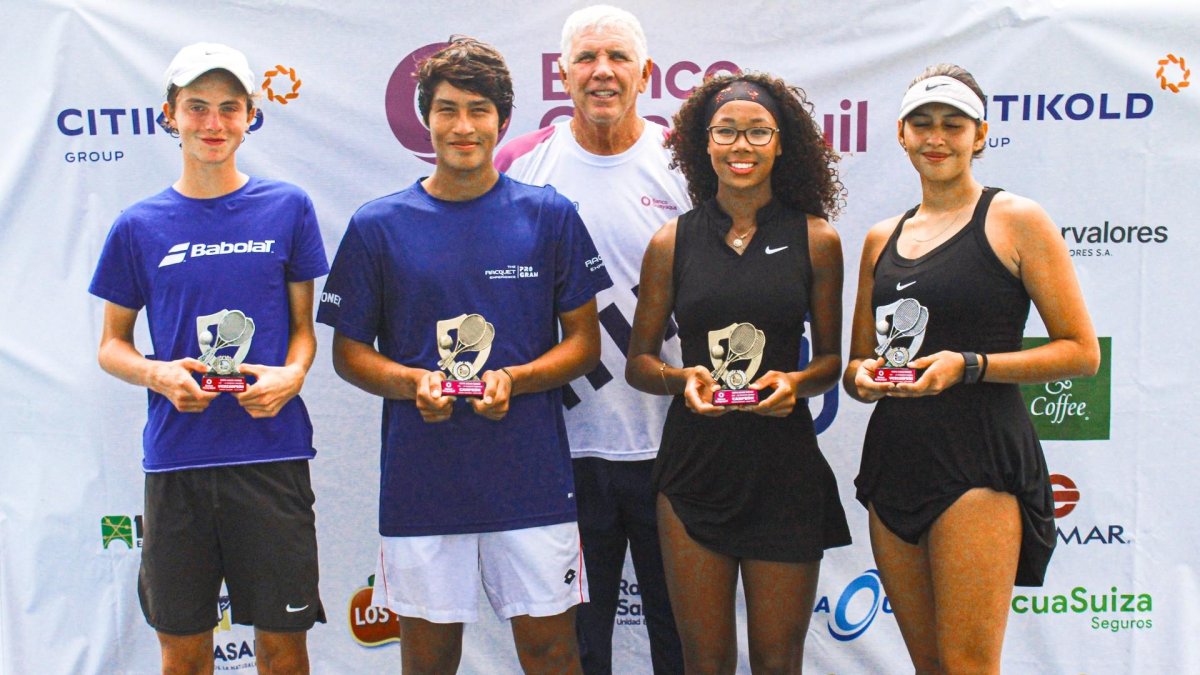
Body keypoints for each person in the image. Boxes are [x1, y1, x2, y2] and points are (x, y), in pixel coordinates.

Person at [316, 37, 612, 674]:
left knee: (551, 651)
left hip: (530, 477)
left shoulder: (549, 216)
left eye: (478, 110)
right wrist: (413, 383)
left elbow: (585, 345)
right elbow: (348, 354)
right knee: (429, 659)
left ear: (502, 121)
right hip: (423, 481)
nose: (463, 126)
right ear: (426, 119)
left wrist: (514, 377)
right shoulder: (378, 225)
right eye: (447, 109)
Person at [843, 64, 1100, 673]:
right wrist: (862, 378)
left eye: (952, 124)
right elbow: (858, 362)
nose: (937, 137)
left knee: (967, 666)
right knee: (928, 665)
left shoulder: (1016, 218)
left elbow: (1080, 352)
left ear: (979, 135)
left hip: (979, 461)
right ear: (901, 136)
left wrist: (969, 366)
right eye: (922, 124)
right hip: (895, 460)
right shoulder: (882, 237)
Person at [89, 43, 328, 674]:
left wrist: (293, 374)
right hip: (178, 462)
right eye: (197, 107)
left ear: (251, 115)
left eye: (229, 108)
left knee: (282, 649)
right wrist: (157, 373)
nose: (213, 123)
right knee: (184, 650)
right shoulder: (138, 225)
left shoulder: (289, 207)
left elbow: (305, 332)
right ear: (170, 115)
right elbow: (110, 345)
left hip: (270, 456)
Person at [626, 73, 850, 673]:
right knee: (705, 662)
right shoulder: (671, 242)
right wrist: (685, 381)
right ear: (704, 143)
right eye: (725, 131)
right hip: (695, 469)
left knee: (779, 662)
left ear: (782, 143)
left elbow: (832, 361)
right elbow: (640, 363)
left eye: (757, 131)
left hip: (784, 469)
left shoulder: (818, 239)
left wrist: (797, 384)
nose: (741, 145)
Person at [495, 6, 688, 673]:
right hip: (562, 449)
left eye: (617, 58)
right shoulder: (521, 164)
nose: (602, 71)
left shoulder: (688, 160)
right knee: (578, 646)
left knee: (684, 639)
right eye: (585, 58)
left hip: (677, 445)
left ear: (646, 74)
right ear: (562, 73)